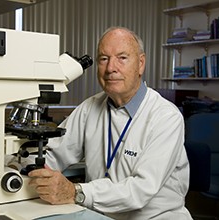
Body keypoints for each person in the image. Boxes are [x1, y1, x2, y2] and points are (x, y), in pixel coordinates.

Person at [28, 26, 192, 220]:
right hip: (100, 214)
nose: (110, 68)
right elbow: (53, 154)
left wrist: (75, 191)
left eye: (122, 58)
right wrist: (22, 166)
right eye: (103, 59)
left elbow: (140, 190)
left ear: (141, 64)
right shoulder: (90, 108)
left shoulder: (165, 117)